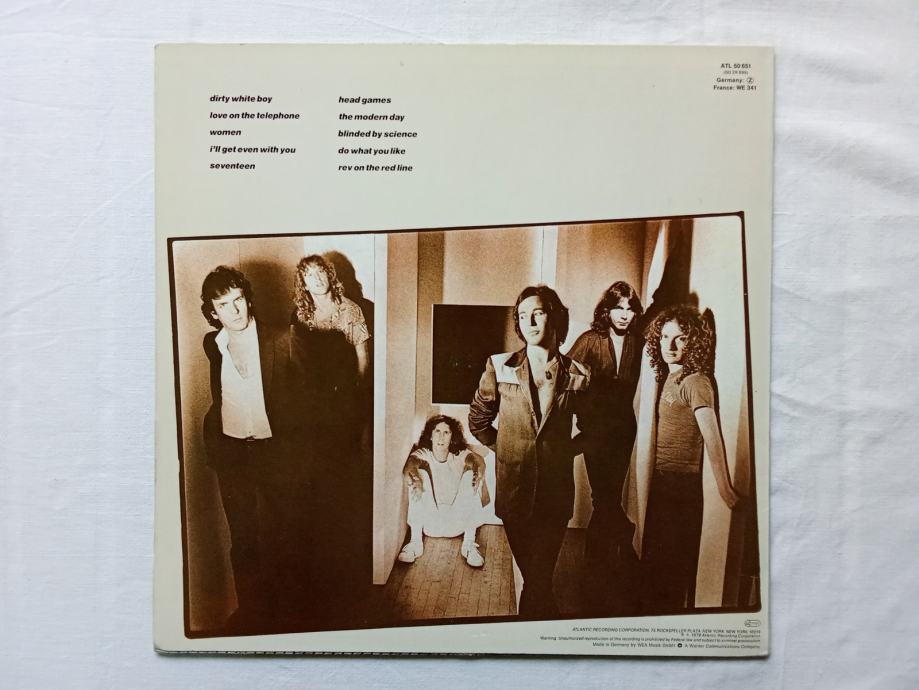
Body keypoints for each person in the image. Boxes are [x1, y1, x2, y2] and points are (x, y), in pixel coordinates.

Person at [468, 285, 592, 618]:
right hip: (515, 491)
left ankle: (531, 633)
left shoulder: (579, 374)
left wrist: (563, 452)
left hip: (556, 493)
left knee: (538, 579)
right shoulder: (500, 366)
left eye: (537, 313)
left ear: (555, 317)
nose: (530, 322)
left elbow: (594, 429)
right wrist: (507, 450)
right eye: (523, 316)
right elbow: (478, 421)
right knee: (538, 580)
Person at [199, 265, 298, 629]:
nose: (235, 310)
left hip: (275, 452)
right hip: (232, 454)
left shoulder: (281, 338)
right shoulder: (213, 344)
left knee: (284, 536)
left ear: (248, 298)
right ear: (213, 312)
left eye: (238, 299)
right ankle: (253, 615)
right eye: (224, 305)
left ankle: (288, 618)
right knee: (242, 539)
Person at [641, 304, 743, 612]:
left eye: (680, 338)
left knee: (672, 572)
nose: (670, 345)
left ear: (694, 343)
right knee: (654, 569)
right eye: (665, 337)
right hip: (660, 481)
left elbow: (712, 438)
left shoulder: (696, 382)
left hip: (680, 487)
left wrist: (725, 488)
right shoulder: (669, 376)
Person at [289, 254, 373, 614]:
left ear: (330, 276)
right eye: (309, 276)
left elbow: (362, 361)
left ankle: (346, 571)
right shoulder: (301, 314)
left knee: (343, 483)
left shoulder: (350, 310)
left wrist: (355, 402)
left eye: (320, 273)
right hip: (311, 413)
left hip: (343, 408)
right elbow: (296, 364)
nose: (316, 280)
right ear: (303, 283)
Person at [566, 281, 645, 565]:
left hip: (623, 430)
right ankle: (612, 546)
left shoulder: (639, 343)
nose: (624, 315)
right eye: (618, 308)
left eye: (629, 309)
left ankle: (597, 562)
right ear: (607, 311)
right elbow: (564, 376)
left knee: (607, 496)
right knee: (603, 495)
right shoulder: (590, 339)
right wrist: (582, 409)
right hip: (595, 431)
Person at [398, 415, 491, 568]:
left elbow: (476, 460)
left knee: (470, 476)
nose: (441, 437)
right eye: (437, 431)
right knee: (418, 475)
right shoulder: (424, 453)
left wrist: (477, 470)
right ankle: (415, 543)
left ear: (452, 437)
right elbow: (410, 464)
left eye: (446, 432)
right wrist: (416, 478)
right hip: (431, 525)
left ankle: (469, 545)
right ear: (430, 435)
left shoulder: (459, 454)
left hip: (457, 524)